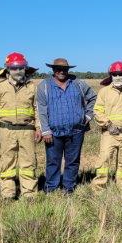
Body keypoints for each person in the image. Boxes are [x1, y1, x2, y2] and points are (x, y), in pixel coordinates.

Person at [37, 58, 97, 194]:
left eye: (64, 69)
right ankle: (51, 188)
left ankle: (68, 188)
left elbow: (93, 97)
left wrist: (87, 116)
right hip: (53, 132)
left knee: (73, 161)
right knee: (53, 161)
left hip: (76, 130)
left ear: (68, 70)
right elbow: (41, 109)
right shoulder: (44, 86)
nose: (61, 71)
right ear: (53, 70)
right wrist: (45, 130)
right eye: (58, 69)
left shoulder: (78, 83)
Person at [0, 52, 41, 200]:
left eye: (21, 68)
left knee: (29, 162)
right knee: (7, 162)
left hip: (27, 130)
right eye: (14, 68)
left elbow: (37, 109)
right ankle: (7, 193)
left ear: (25, 68)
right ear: (8, 69)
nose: (18, 71)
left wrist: (39, 128)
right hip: (6, 130)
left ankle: (29, 193)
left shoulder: (32, 87)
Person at [91, 61, 122, 190]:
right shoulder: (104, 92)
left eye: (121, 74)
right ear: (111, 76)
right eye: (115, 74)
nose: (118, 77)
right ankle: (99, 188)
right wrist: (108, 124)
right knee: (104, 159)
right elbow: (97, 111)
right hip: (109, 132)